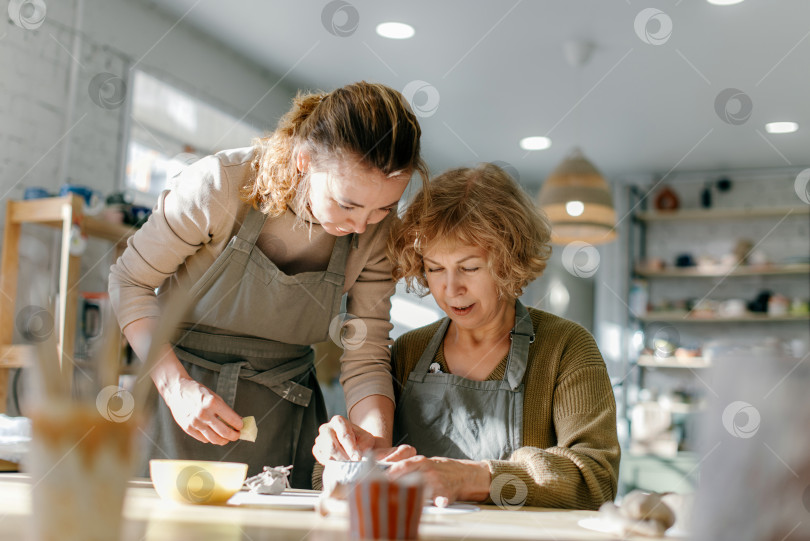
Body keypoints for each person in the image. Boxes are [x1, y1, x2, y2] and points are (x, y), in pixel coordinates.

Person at [109, 81, 428, 487]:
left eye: (382, 208)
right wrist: (177, 387)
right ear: (304, 159)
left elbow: (365, 357)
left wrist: (373, 447)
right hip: (175, 397)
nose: (362, 225)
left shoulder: (375, 238)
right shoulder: (219, 186)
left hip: (286, 412)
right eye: (347, 203)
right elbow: (129, 281)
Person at [314, 163, 620, 509]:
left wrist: (473, 478)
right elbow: (332, 481)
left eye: (469, 267)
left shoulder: (566, 348)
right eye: (434, 268)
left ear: (508, 260)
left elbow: (597, 479)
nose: (450, 288)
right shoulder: (407, 352)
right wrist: (340, 453)